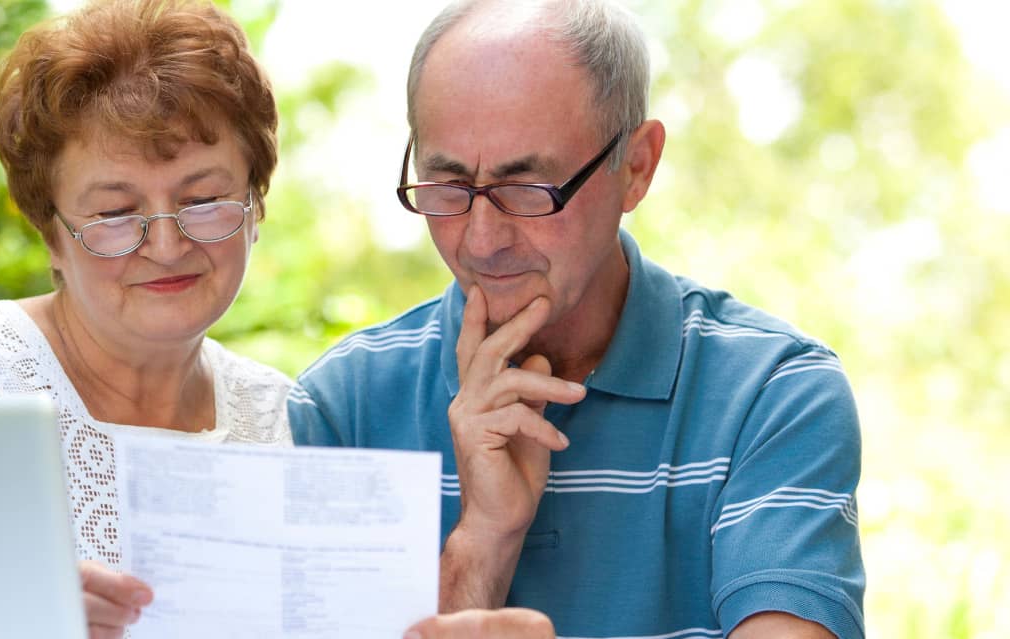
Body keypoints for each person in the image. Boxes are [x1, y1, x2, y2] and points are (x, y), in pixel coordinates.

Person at [0, 1, 548, 637]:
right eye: (116, 212)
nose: (168, 243)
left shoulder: (288, 423)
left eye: (204, 198)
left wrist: (487, 529)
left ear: (256, 206)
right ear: (51, 235)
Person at [287, 0, 865, 638]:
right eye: (448, 185)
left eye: (527, 189)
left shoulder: (772, 394)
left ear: (636, 168)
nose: (480, 241)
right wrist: (483, 537)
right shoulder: (341, 408)